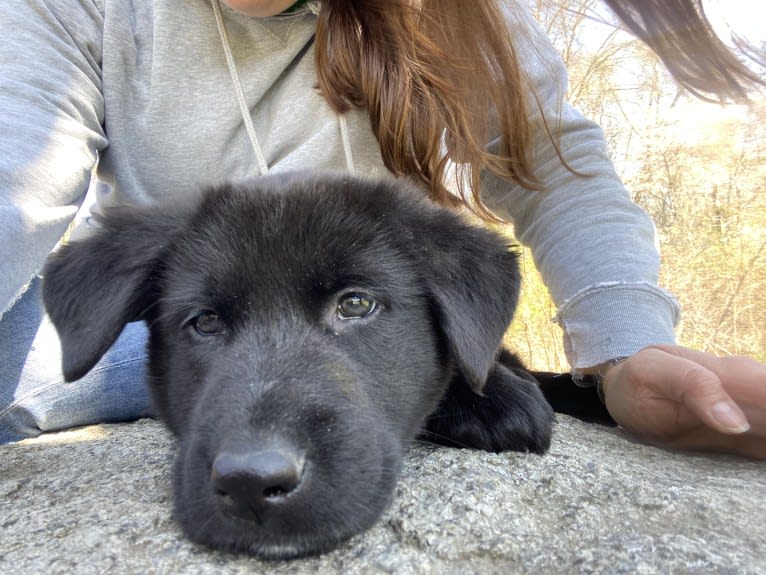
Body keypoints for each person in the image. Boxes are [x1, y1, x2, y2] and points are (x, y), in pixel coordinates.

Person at [0, 0, 763, 458]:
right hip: (188, 320)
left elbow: (557, 167)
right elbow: (15, 192)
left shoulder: (453, 12)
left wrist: (626, 352)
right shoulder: (74, 9)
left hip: (362, 299)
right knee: (32, 350)